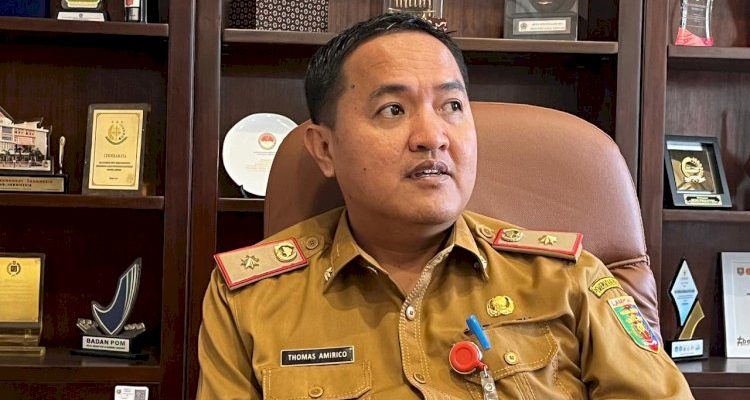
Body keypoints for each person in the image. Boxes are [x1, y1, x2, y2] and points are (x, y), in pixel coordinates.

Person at [197, 13, 694, 399]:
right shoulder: (249, 300)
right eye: (393, 109)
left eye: (452, 106)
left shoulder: (568, 279)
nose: (433, 136)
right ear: (325, 149)